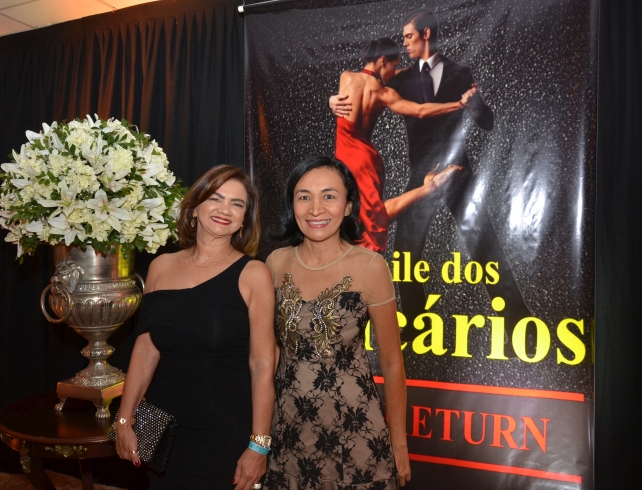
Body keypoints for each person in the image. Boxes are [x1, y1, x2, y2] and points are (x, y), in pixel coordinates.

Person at [333, 10, 532, 354]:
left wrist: (473, 105)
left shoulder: (460, 73)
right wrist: (332, 101)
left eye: (408, 36)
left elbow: (486, 121)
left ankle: (519, 323)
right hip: (420, 176)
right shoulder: (398, 78)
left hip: (458, 171)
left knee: (484, 245)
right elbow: (371, 89)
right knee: (405, 253)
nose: (404, 43)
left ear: (425, 34)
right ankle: (415, 323)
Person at [114, 165, 276, 490]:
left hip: (223, 431)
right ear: (194, 208)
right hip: (163, 428)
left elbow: (262, 365)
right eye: (215, 198)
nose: (225, 209)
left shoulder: (253, 274)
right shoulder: (160, 267)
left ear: (244, 220)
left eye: (237, 204)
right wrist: (124, 419)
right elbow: (145, 351)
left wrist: (259, 445)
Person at [264, 156, 411, 489]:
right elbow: (268, 355)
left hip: (356, 432)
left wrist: (399, 442)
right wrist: (259, 432)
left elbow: (392, 363)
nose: (316, 209)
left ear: (348, 206)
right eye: (304, 197)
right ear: (292, 205)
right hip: (288, 431)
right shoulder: (275, 263)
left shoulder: (370, 266)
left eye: (329, 196)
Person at [332, 36, 475, 253]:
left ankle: (429, 188)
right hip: (366, 160)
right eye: (393, 66)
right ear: (382, 60)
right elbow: (420, 111)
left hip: (346, 158)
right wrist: (459, 105)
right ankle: (429, 188)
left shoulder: (346, 77)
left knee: (363, 218)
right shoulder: (383, 93)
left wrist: (330, 101)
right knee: (372, 216)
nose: (393, 73)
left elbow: (342, 100)